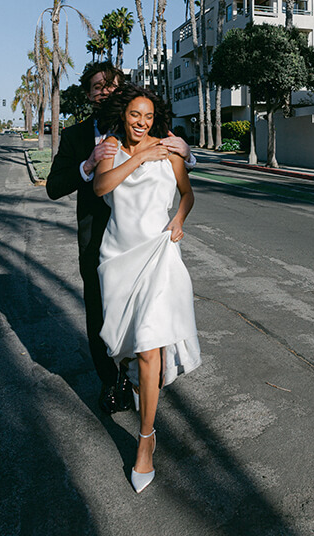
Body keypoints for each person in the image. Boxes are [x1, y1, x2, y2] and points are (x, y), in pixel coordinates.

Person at [46, 61, 196, 415]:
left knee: (148, 311)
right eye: (98, 86)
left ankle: (143, 372)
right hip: (98, 237)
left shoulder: (145, 123)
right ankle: (111, 380)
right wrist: (87, 164)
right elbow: (54, 187)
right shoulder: (76, 135)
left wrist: (188, 153)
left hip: (142, 235)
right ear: (88, 94)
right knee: (101, 312)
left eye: (112, 85)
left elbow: (177, 163)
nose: (105, 90)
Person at [94, 85, 201, 493]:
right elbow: (101, 188)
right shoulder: (111, 147)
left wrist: (179, 219)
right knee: (126, 346)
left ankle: (145, 439)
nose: (142, 122)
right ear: (124, 115)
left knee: (149, 345)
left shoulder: (170, 150)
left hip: (158, 253)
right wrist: (138, 157)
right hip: (119, 258)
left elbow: (187, 194)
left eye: (149, 116)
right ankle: (141, 386)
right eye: (135, 115)